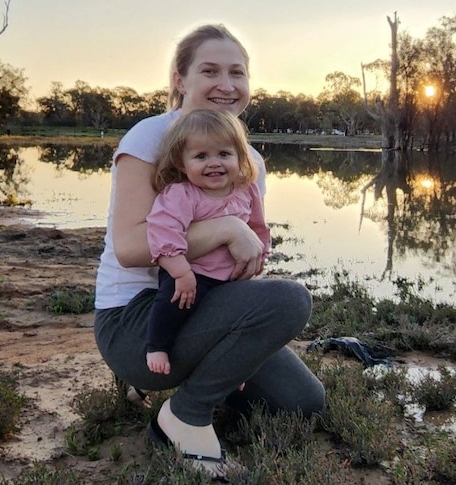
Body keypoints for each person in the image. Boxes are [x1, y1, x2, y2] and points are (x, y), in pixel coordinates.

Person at [93, 24, 325, 480]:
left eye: (237, 72)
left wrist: (237, 348)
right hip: (136, 317)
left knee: (302, 404)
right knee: (292, 299)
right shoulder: (150, 137)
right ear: (180, 79)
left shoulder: (248, 160)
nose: (227, 84)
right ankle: (184, 417)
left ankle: (202, 377)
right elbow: (130, 249)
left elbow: (239, 256)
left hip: (205, 303)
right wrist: (224, 227)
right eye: (210, 70)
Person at [145, 109, 270, 375]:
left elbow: (258, 227)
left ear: (240, 156)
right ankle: (157, 346)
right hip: (192, 275)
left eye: (224, 154)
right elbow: (162, 234)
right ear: (182, 164)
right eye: (201, 156)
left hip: (232, 279)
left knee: (240, 324)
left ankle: (232, 368)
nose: (214, 163)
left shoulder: (246, 190)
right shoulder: (181, 194)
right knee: (171, 303)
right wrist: (181, 272)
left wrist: (260, 257)